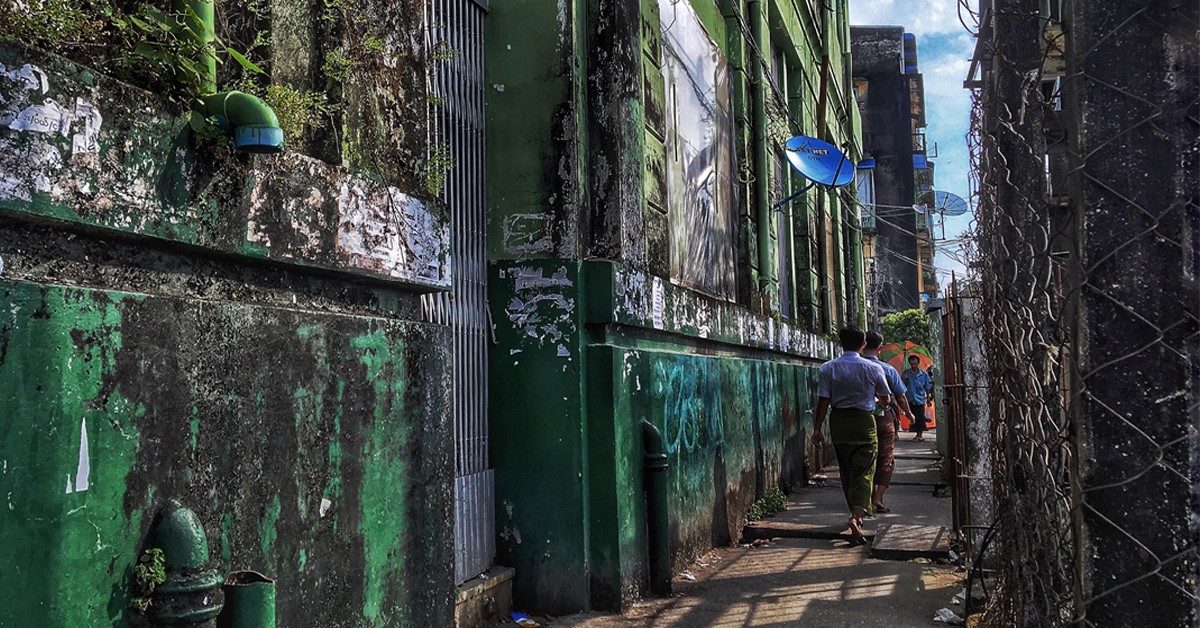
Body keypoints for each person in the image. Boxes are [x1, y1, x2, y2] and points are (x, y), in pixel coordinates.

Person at [812, 326, 891, 545]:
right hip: (864, 423)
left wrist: (817, 429)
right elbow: (885, 398)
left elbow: (823, 400)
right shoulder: (873, 368)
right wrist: (879, 403)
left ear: (839, 344)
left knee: (846, 471)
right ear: (864, 345)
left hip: (839, 423)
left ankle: (856, 512)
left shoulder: (828, 368)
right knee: (865, 471)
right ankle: (856, 517)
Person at [862, 331, 914, 513]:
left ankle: (862, 500)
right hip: (883, 417)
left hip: (858, 417)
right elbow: (900, 397)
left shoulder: (848, 366)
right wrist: (909, 414)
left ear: (862, 345)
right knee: (886, 457)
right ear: (880, 348)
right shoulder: (888, 369)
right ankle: (878, 498)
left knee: (862, 456)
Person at [903, 355, 934, 441]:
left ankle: (919, 434)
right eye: (912, 363)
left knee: (920, 416)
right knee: (913, 415)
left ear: (918, 363)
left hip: (920, 399)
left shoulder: (923, 374)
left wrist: (928, 398)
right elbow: (902, 386)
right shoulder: (906, 373)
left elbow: (927, 387)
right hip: (910, 398)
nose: (913, 365)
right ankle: (915, 431)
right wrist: (904, 379)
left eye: (915, 363)